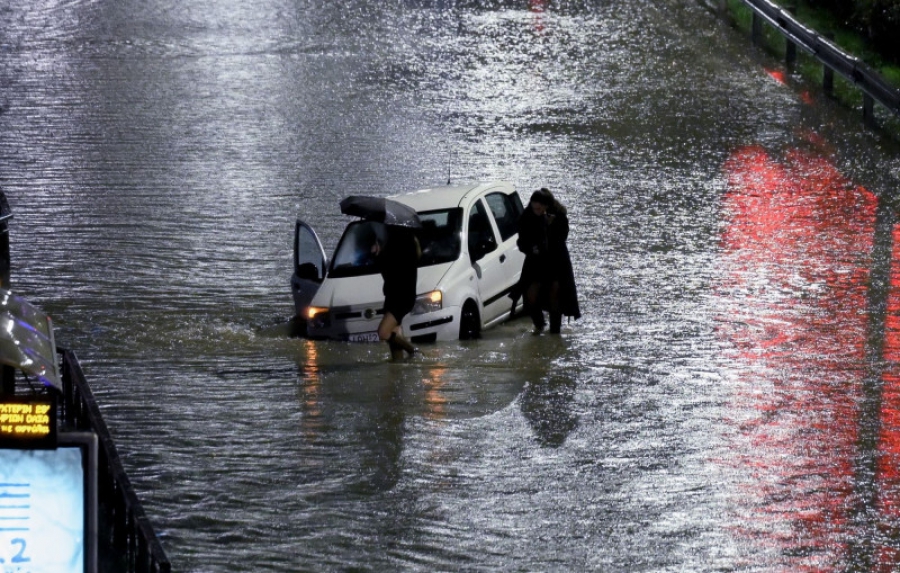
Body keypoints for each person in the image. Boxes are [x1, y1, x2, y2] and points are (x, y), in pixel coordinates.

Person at [515, 188, 581, 334]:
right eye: (534, 208)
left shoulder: (558, 215)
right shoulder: (527, 216)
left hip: (555, 261)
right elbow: (522, 240)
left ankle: (554, 332)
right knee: (530, 295)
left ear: (546, 206)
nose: (536, 211)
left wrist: (550, 225)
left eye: (539, 208)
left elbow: (562, 237)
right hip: (536, 261)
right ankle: (539, 325)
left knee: (555, 294)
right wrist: (531, 248)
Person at [374, 225, 421, 360]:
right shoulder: (407, 242)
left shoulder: (401, 245)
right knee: (394, 334)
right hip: (395, 296)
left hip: (401, 297)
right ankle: (398, 367)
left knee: (383, 332)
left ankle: (414, 351)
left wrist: (379, 254)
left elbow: (392, 272)